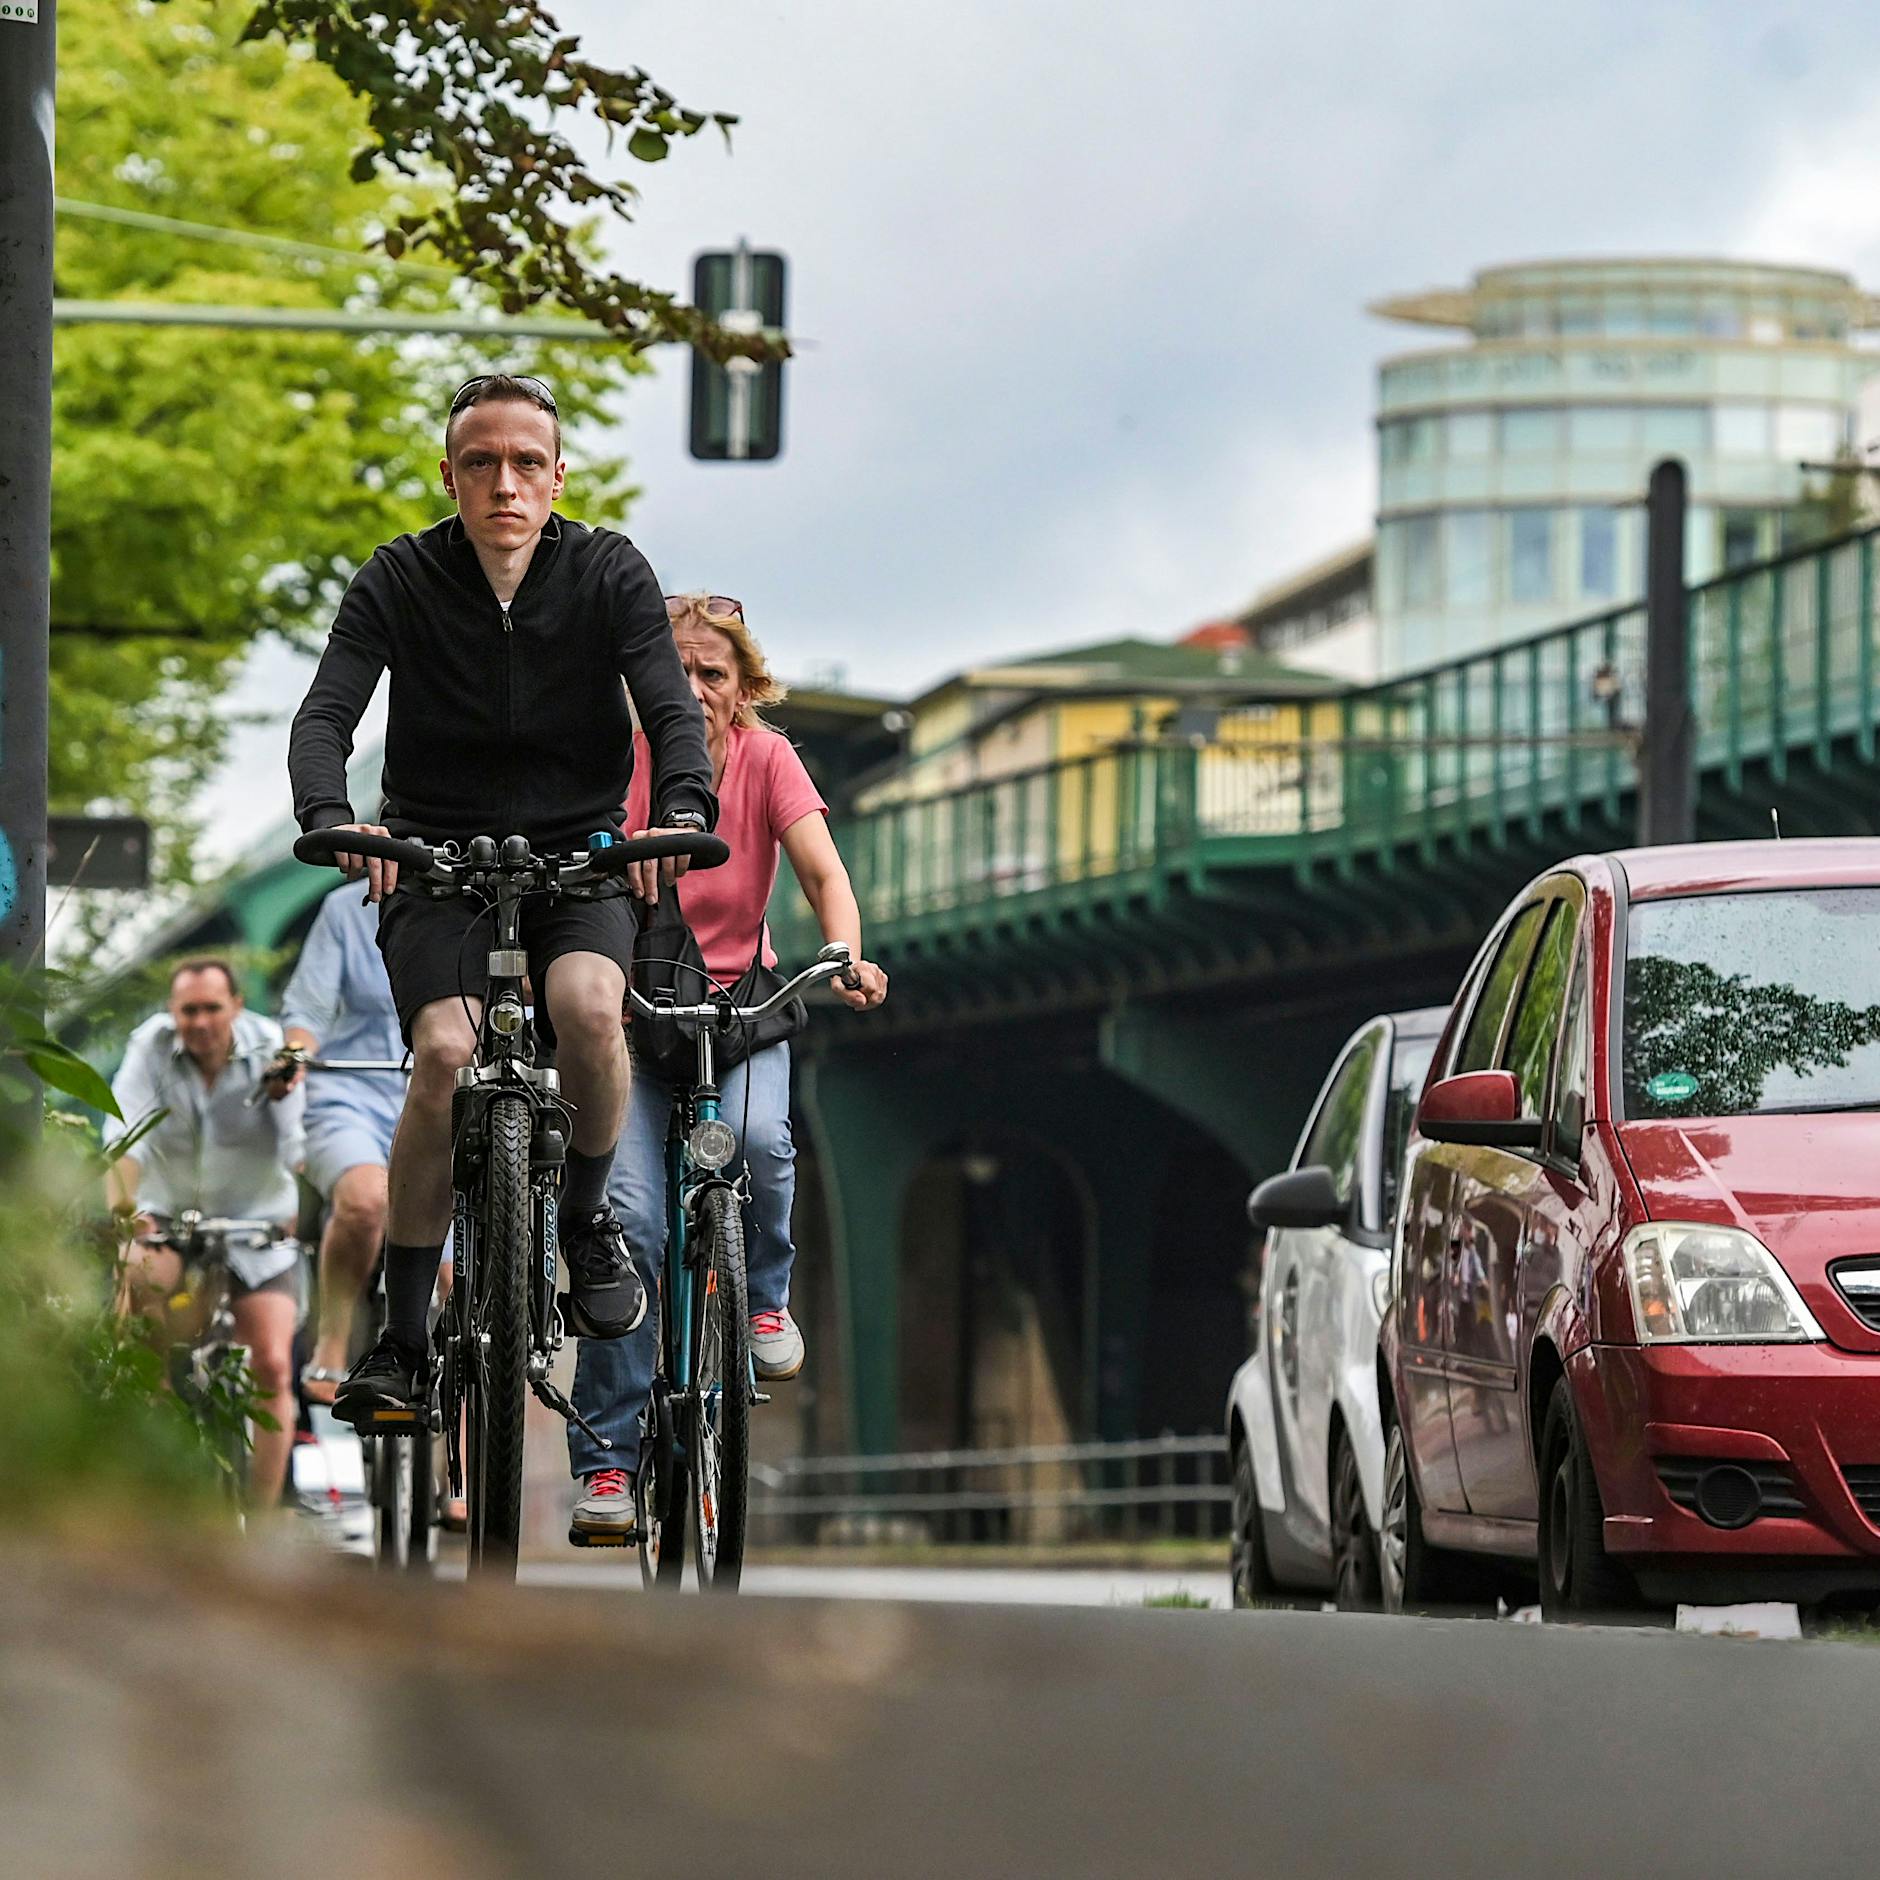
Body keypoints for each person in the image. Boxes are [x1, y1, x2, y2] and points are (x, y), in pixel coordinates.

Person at [286, 371, 717, 1429]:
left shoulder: (610, 571)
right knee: (439, 1054)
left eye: (527, 462)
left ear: (558, 475)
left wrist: (678, 806)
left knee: (586, 1009)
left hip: (579, 853)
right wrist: (338, 812)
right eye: (480, 462)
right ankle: (399, 1336)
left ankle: (583, 1224)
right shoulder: (398, 577)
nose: (504, 483)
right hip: (432, 858)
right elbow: (325, 714)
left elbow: (669, 709)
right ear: (450, 475)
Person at [567, 594, 888, 1540]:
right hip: (633, 1014)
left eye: (715, 674)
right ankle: (610, 1469)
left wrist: (848, 951)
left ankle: (766, 1303)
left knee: (755, 1140)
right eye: (678, 674)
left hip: (738, 1008)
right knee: (628, 1224)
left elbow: (825, 873)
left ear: (745, 688)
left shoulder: (768, 759)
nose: (696, 691)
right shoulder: (609, 761)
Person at [106, 958, 307, 1507]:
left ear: (236, 1007)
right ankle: (158, 1408)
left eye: (212, 1008)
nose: (199, 1022)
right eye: (188, 1009)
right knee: (137, 1274)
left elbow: (298, 1144)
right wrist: (126, 1211)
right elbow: (123, 1139)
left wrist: (306, 1200)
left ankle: (261, 1521)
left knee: (270, 1361)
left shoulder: (271, 1048)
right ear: (173, 1012)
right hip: (170, 1222)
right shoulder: (149, 1047)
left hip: (256, 1229)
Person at [275, 878, 443, 1403]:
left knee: (469, 1277)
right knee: (367, 1201)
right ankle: (332, 1344)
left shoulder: (476, 903)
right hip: (351, 1092)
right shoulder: (345, 910)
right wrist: (295, 1055)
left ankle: (467, 1470)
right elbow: (308, 1007)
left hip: (442, 1098)